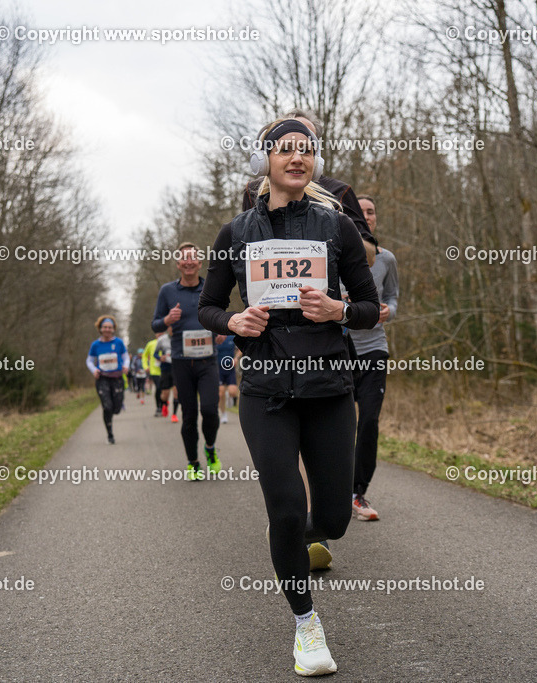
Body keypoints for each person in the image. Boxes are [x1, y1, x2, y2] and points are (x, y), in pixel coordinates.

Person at [199, 118, 379, 676]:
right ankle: (306, 627)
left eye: (306, 151)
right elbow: (208, 306)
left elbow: (371, 308)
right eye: (285, 150)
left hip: (327, 387)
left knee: (331, 517)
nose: (296, 158)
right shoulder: (235, 234)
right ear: (266, 161)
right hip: (266, 391)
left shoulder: (337, 229)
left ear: (314, 164)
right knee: (285, 507)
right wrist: (235, 322)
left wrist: (339, 310)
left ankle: (297, 536)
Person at [241, 108, 377, 267]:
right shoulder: (253, 191)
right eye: (286, 147)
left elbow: (370, 257)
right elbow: (243, 257)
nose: (296, 156)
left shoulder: (340, 191)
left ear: (316, 153)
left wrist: (336, 228)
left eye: (304, 147)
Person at [152, 244, 221, 481]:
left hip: (207, 360)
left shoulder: (210, 287)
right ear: (178, 264)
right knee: (189, 415)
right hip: (181, 362)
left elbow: (220, 314)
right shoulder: (167, 291)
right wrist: (167, 319)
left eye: (193, 257)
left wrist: (221, 329)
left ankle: (210, 448)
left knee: (210, 410)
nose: (188, 262)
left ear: (200, 263)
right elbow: (155, 325)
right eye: (184, 258)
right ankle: (193, 463)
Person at [349, 195, 399, 521]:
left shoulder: (387, 260)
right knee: (337, 424)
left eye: (371, 212)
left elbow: (393, 296)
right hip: (337, 352)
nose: (366, 216)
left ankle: (358, 493)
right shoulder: (332, 253)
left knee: (368, 421)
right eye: (360, 211)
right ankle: (328, 488)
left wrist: (388, 311)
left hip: (374, 350)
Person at [87, 315, 129, 444]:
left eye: (110, 327)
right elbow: (89, 360)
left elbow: (126, 357)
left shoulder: (119, 343)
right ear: (100, 329)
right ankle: (110, 434)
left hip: (117, 378)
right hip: (103, 379)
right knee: (107, 406)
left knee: (115, 409)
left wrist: (126, 366)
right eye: (105, 327)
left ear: (113, 329)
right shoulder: (95, 345)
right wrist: (94, 370)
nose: (107, 330)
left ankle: (119, 404)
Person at [154, 327, 176, 421]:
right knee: (165, 394)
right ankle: (164, 403)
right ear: (168, 328)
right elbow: (155, 354)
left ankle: (174, 414)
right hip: (165, 369)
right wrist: (160, 357)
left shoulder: (180, 336)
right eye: (171, 326)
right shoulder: (162, 339)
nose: (172, 328)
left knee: (176, 392)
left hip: (177, 368)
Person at [216, 334, 238, 423]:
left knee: (233, 392)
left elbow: (241, 349)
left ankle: (229, 396)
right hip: (218, 369)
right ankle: (224, 414)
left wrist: (236, 358)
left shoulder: (232, 337)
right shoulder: (215, 337)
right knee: (220, 393)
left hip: (230, 369)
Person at [142, 334, 163, 416]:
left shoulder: (168, 342)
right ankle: (158, 407)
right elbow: (144, 355)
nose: (160, 335)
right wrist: (145, 366)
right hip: (154, 370)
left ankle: (164, 403)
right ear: (155, 334)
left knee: (164, 390)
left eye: (162, 332)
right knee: (158, 388)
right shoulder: (151, 344)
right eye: (158, 333)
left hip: (166, 370)